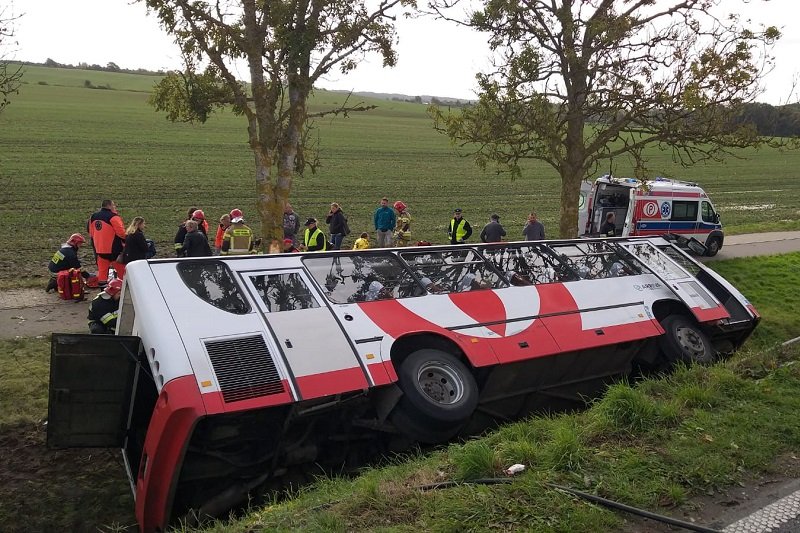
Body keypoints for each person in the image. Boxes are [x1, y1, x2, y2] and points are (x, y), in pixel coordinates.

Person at [88, 199, 126, 286]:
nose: (115, 207)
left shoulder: (93, 217)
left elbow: (91, 233)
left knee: (102, 272)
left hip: (99, 250)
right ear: (109, 206)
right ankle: (125, 287)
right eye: (114, 205)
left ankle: (103, 291)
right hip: (114, 250)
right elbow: (121, 233)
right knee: (122, 271)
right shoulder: (114, 217)